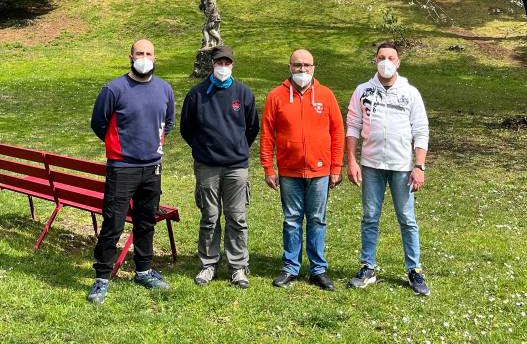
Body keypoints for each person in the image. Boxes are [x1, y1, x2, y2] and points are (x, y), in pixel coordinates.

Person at [86, 39, 175, 304]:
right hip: (122, 168)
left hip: (152, 167)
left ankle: (143, 270)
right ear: (130, 56)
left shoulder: (164, 89)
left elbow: (168, 122)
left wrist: (152, 146)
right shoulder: (114, 89)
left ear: (155, 58)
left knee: (146, 221)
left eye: (148, 53)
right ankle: (102, 278)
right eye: (139, 53)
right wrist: (119, 146)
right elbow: (98, 123)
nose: (144, 57)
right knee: (113, 224)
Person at [345, 41, 431, 296]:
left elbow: (421, 131)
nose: (386, 62)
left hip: (402, 167)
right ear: (375, 60)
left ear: (398, 62)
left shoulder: (410, 93)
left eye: (390, 57)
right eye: (381, 57)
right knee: (370, 217)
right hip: (371, 165)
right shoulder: (363, 91)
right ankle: (367, 267)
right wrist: (351, 160)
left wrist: (419, 166)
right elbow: (352, 126)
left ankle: (414, 270)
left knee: (407, 218)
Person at [259, 48, 344, 290]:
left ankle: (318, 270)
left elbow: (337, 132)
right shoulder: (276, 96)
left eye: (307, 65)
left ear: (314, 68)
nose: (302, 70)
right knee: (292, 220)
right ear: (290, 67)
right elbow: (267, 135)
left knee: (317, 219)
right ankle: (290, 268)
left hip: (320, 171)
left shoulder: (326, 96)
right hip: (289, 171)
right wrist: (268, 167)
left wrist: (336, 167)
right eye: (298, 65)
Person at [179, 44, 260, 289]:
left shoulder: (243, 93)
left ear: (232, 65)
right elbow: (186, 129)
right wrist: (203, 149)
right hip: (207, 167)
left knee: (237, 217)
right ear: (212, 65)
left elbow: (252, 127)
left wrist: (237, 148)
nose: (223, 67)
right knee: (210, 217)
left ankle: (237, 266)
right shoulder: (197, 94)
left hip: (236, 167)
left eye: (227, 63)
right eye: (219, 63)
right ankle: (208, 263)